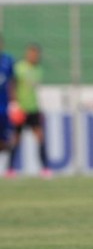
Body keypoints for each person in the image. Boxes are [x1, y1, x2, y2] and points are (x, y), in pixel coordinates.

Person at [6, 43, 51, 178]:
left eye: (36, 54)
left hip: (33, 108)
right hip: (21, 108)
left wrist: (40, 109)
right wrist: (14, 104)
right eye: (31, 53)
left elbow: (35, 91)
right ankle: (10, 169)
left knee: (40, 137)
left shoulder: (39, 70)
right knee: (16, 139)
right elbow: (12, 85)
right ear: (27, 54)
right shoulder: (19, 68)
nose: (34, 56)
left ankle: (45, 168)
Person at [0, 35, 15, 154]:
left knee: (6, 142)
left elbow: (12, 82)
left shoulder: (8, 60)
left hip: (4, 107)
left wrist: (15, 102)